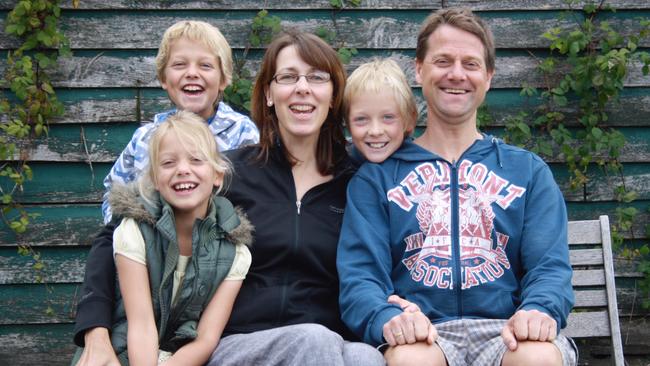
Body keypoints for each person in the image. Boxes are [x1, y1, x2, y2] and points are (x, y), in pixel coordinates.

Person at [72, 30, 385, 366]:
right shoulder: (230, 173)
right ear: (268, 93)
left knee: (366, 358)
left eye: (317, 78)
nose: (302, 88)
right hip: (233, 343)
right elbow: (123, 229)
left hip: (330, 342)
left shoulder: (357, 180)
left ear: (334, 94)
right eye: (288, 77)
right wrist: (95, 331)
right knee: (313, 340)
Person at [337, 8, 577, 366]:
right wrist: (387, 318)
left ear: (489, 76)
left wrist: (539, 309)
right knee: (410, 361)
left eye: (470, 64)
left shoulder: (526, 171)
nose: (456, 74)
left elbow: (550, 267)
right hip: (423, 332)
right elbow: (361, 276)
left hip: (507, 329)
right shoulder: (377, 179)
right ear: (419, 69)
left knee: (537, 356)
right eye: (443, 60)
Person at [72, 110, 252, 365]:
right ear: (156, 179)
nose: (182, 170)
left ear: (217, 175)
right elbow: (140, 324)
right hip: (123, 352)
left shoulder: (236, 253)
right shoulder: (134, 231)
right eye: (168, 163)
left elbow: (206, 339)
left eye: (196, 160)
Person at [101, 20, 259, 223]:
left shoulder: (242, 133)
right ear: (164, 78)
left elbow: (257, 201)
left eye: (205, 65)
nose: (192, 73)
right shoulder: (145, 138)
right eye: (179, 64)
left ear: (223, 79)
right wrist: (127, 236)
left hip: (219, 248)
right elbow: (112, 193)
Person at [344, 58, 418, 163]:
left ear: (410, 120)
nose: (375, 131)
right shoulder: (337, 169)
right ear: (348, 124)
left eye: (388, 117)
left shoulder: (422, 169)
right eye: (361, 119)